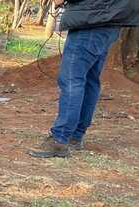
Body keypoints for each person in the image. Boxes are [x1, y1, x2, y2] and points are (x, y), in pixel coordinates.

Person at [29, 0, 139, 158]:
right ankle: (75, 136)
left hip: (92, 19)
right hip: (107, 19)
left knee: (72, 79)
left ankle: (60, 138)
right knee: (89, 80)